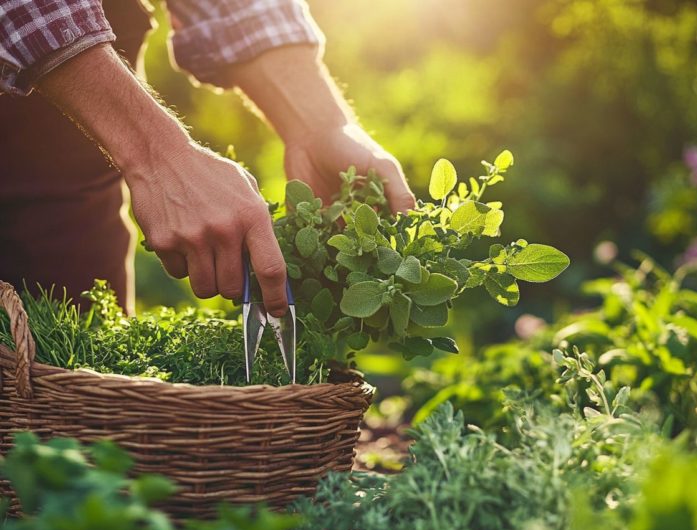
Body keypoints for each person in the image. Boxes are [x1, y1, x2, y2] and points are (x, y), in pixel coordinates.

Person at [0, 0, 415, 315]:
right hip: (52, 80)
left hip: (73, 153)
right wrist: (158, 155)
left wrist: (318, 124)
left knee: (73, 382)